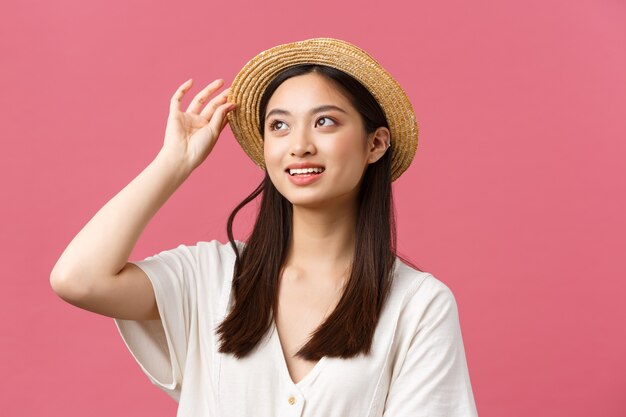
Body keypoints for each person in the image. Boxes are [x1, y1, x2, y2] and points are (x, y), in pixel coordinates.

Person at [50, 38, 478, 416]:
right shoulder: (208, 278)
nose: (299, 145)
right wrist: (173, 164)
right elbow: (78, 279)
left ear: (376, 143)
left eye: (325, 121)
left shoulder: (419, 306)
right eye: (279, 125)